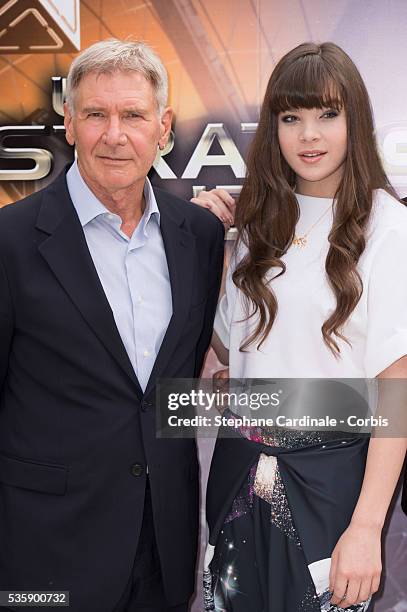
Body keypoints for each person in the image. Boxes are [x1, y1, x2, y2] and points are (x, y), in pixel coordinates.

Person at [0, 39, 224, 612]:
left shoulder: (196, 237)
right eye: (96, 114)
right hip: (44, 549)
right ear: (69, 123)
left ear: (164, 126)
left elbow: (176, 377)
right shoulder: (11, 241)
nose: (115, 134)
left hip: (164, 544)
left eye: (133, 115)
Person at [191, 42, 407, 611]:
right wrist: (212, 251)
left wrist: (366, 528)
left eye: (326, 115)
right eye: (292, 118)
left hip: (332, 488)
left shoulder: (389, 228)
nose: (309, 135)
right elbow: (225, 351)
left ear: (354, 120)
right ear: (274, 128)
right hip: (238, 478)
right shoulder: (258, 224)